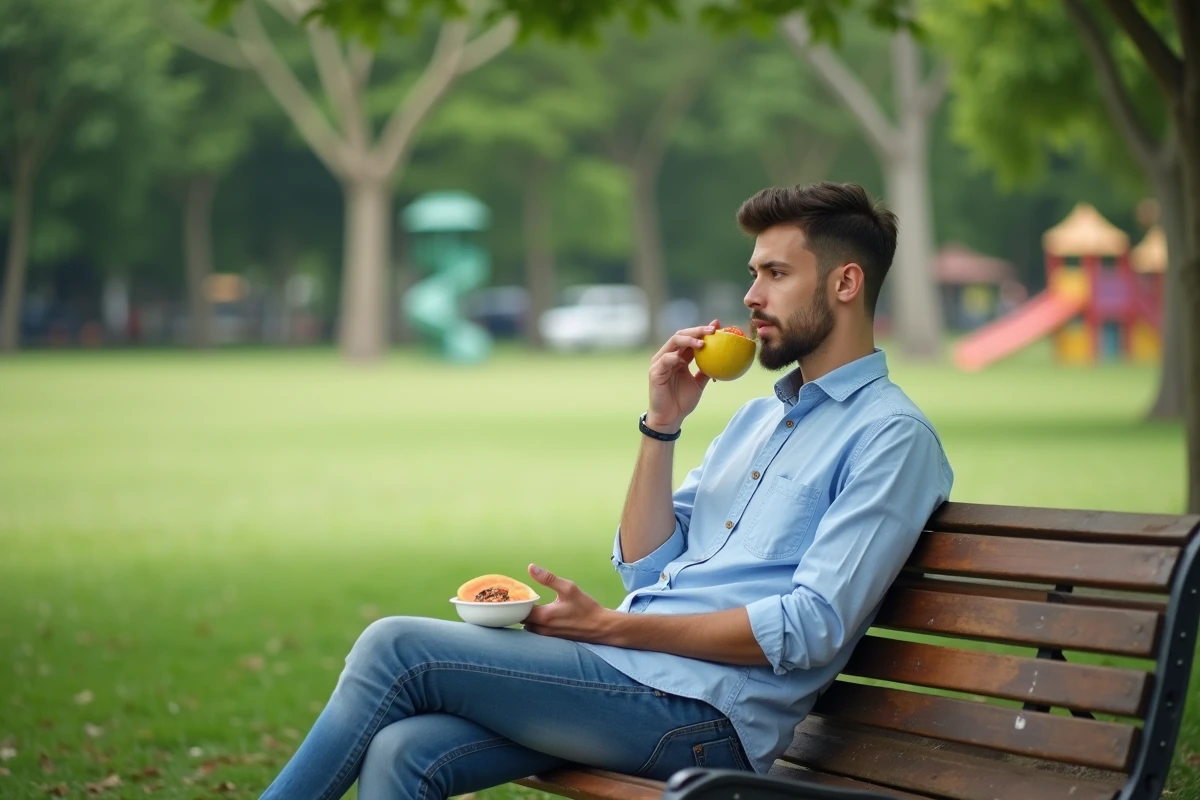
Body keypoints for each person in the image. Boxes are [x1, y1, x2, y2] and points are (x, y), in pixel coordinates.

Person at [258, 182, 954, 800]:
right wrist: (662, 424)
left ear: (846, 283)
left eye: (776, 273)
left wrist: (612, 626)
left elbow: (810, 628)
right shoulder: (757, 416)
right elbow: (648, 567)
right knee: (404, 750)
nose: (750, 297)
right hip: (627, 676)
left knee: (394, 647)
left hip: (704, 719)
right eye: (753, 273)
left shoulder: (890, 438)